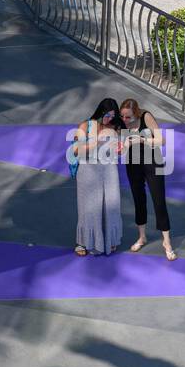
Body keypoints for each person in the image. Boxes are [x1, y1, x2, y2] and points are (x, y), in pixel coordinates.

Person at [120, 97, 176, 260]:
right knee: (138, 199)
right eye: (122, 116)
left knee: (159, 201)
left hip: (153, 162)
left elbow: (162, 140)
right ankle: (142, 237)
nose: (124, 120)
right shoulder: (121, 121)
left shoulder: (146, 117)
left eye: (128, 117)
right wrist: (121, 146)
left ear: (136, 113)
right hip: (133, 163)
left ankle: (166, 242)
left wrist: (142, 140)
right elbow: (120, 144)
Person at [73, 99, 124, 257]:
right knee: (88, 208)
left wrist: (120, 149)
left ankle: (110, 239)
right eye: (107, 115)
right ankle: (83, 242)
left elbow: (119, 151)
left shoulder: (115, 126)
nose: (109, 119)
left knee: (112, 205)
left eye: (113, 116)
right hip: (88, 170)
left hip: (109, 169)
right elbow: (75, 151)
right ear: (100, 112)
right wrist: (95, 144)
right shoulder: (85, 126)